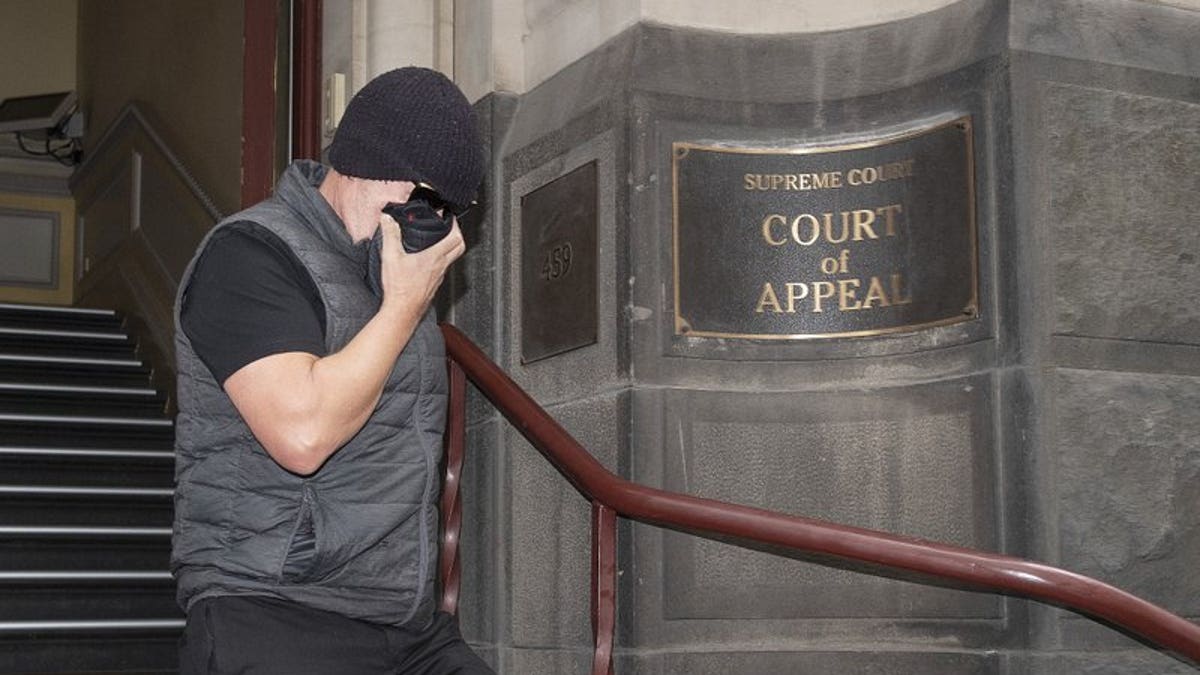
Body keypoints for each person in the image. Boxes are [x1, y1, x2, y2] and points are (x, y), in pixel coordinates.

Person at [171, 66, 493, 674]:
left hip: (403, 624)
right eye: (424, 200)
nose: (429, 222)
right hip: (272, 606)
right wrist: (402, 306)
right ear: (367, 163)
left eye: (449, 208)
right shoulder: (248, 255)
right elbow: (303, 435)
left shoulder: (391, 274)